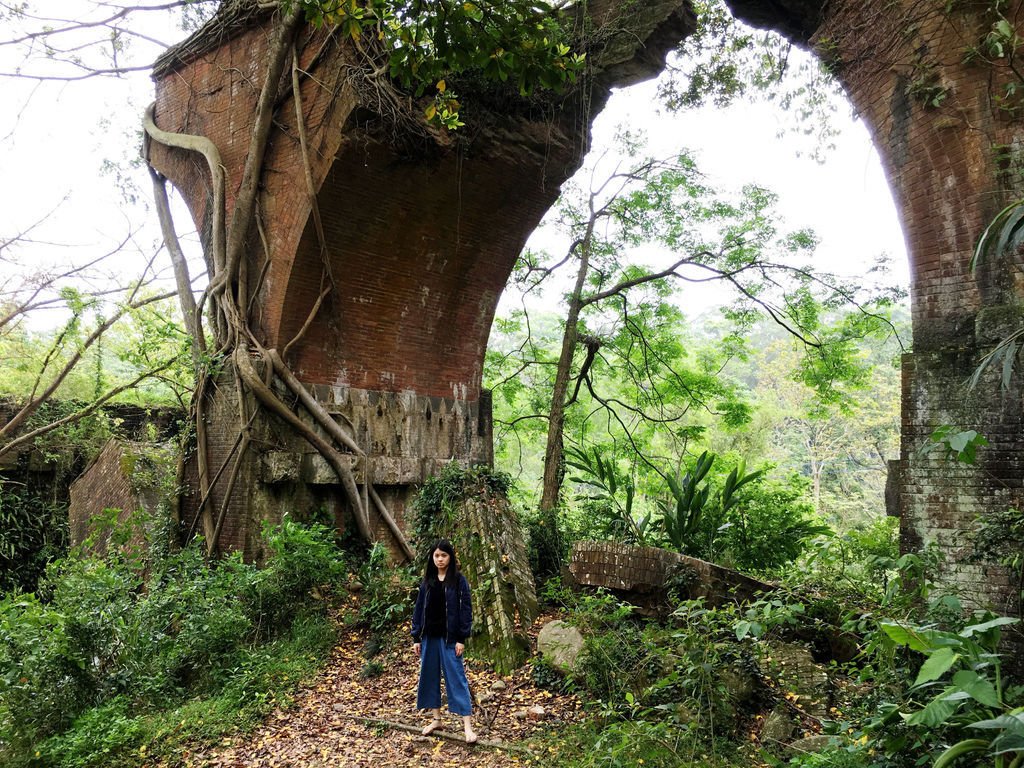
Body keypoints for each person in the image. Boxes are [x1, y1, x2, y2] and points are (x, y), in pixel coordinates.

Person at [411, 539, 478, 744]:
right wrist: (416, 637)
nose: (440, 559)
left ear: (450, 557)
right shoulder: (427, 582)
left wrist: (461, 638)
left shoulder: (459, 581)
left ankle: (468, 727)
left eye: (444, 555)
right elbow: (418, 609)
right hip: (429, 637)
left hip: (450, 639)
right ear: (432, 558)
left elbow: (466, 610)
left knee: (457, 678)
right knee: (429, 677)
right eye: (437, 556)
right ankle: (437, 720)